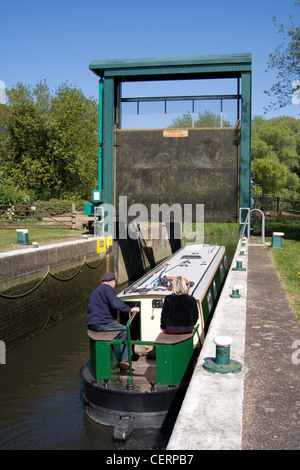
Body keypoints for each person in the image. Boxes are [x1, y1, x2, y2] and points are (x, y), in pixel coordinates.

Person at [86, 272, 139, 369]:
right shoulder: (108, 288)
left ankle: (116, 356)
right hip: (102, 323)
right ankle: (124, 360)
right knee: (124, 329)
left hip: (92, 323)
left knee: (117, 328)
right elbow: (115, 303)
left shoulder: (96, 291)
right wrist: (130, 309)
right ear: (112, 282)